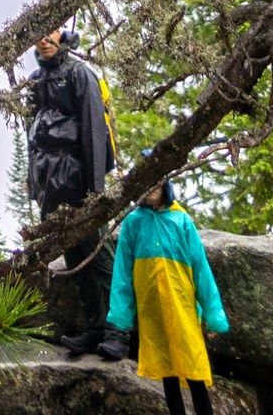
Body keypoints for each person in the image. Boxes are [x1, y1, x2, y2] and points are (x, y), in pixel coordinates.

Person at [98, 177, 229, 413]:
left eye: (157, 183)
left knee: (194, 368)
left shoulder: (181, 220)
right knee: (167, 372)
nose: (151, 188)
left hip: (182, 308)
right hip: (152, 311)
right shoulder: (133, 223)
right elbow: (122, 274)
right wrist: (121, 316)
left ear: (166, 185)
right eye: (148, 182)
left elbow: (201, 269)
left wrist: (213, 315)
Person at [26, 21, 118, 355]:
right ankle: (95, 328)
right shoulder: (35, 81)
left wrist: (95, 190)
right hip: (49, 182)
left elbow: (95, 131)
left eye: (49, 31)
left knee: (98, 255)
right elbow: (31, 138)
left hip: (77, 178)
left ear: (61, 33)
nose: (43, 39)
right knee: (74, 255)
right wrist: (35, 185)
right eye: (37, 34)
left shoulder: (80, 74)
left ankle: (119, 331)